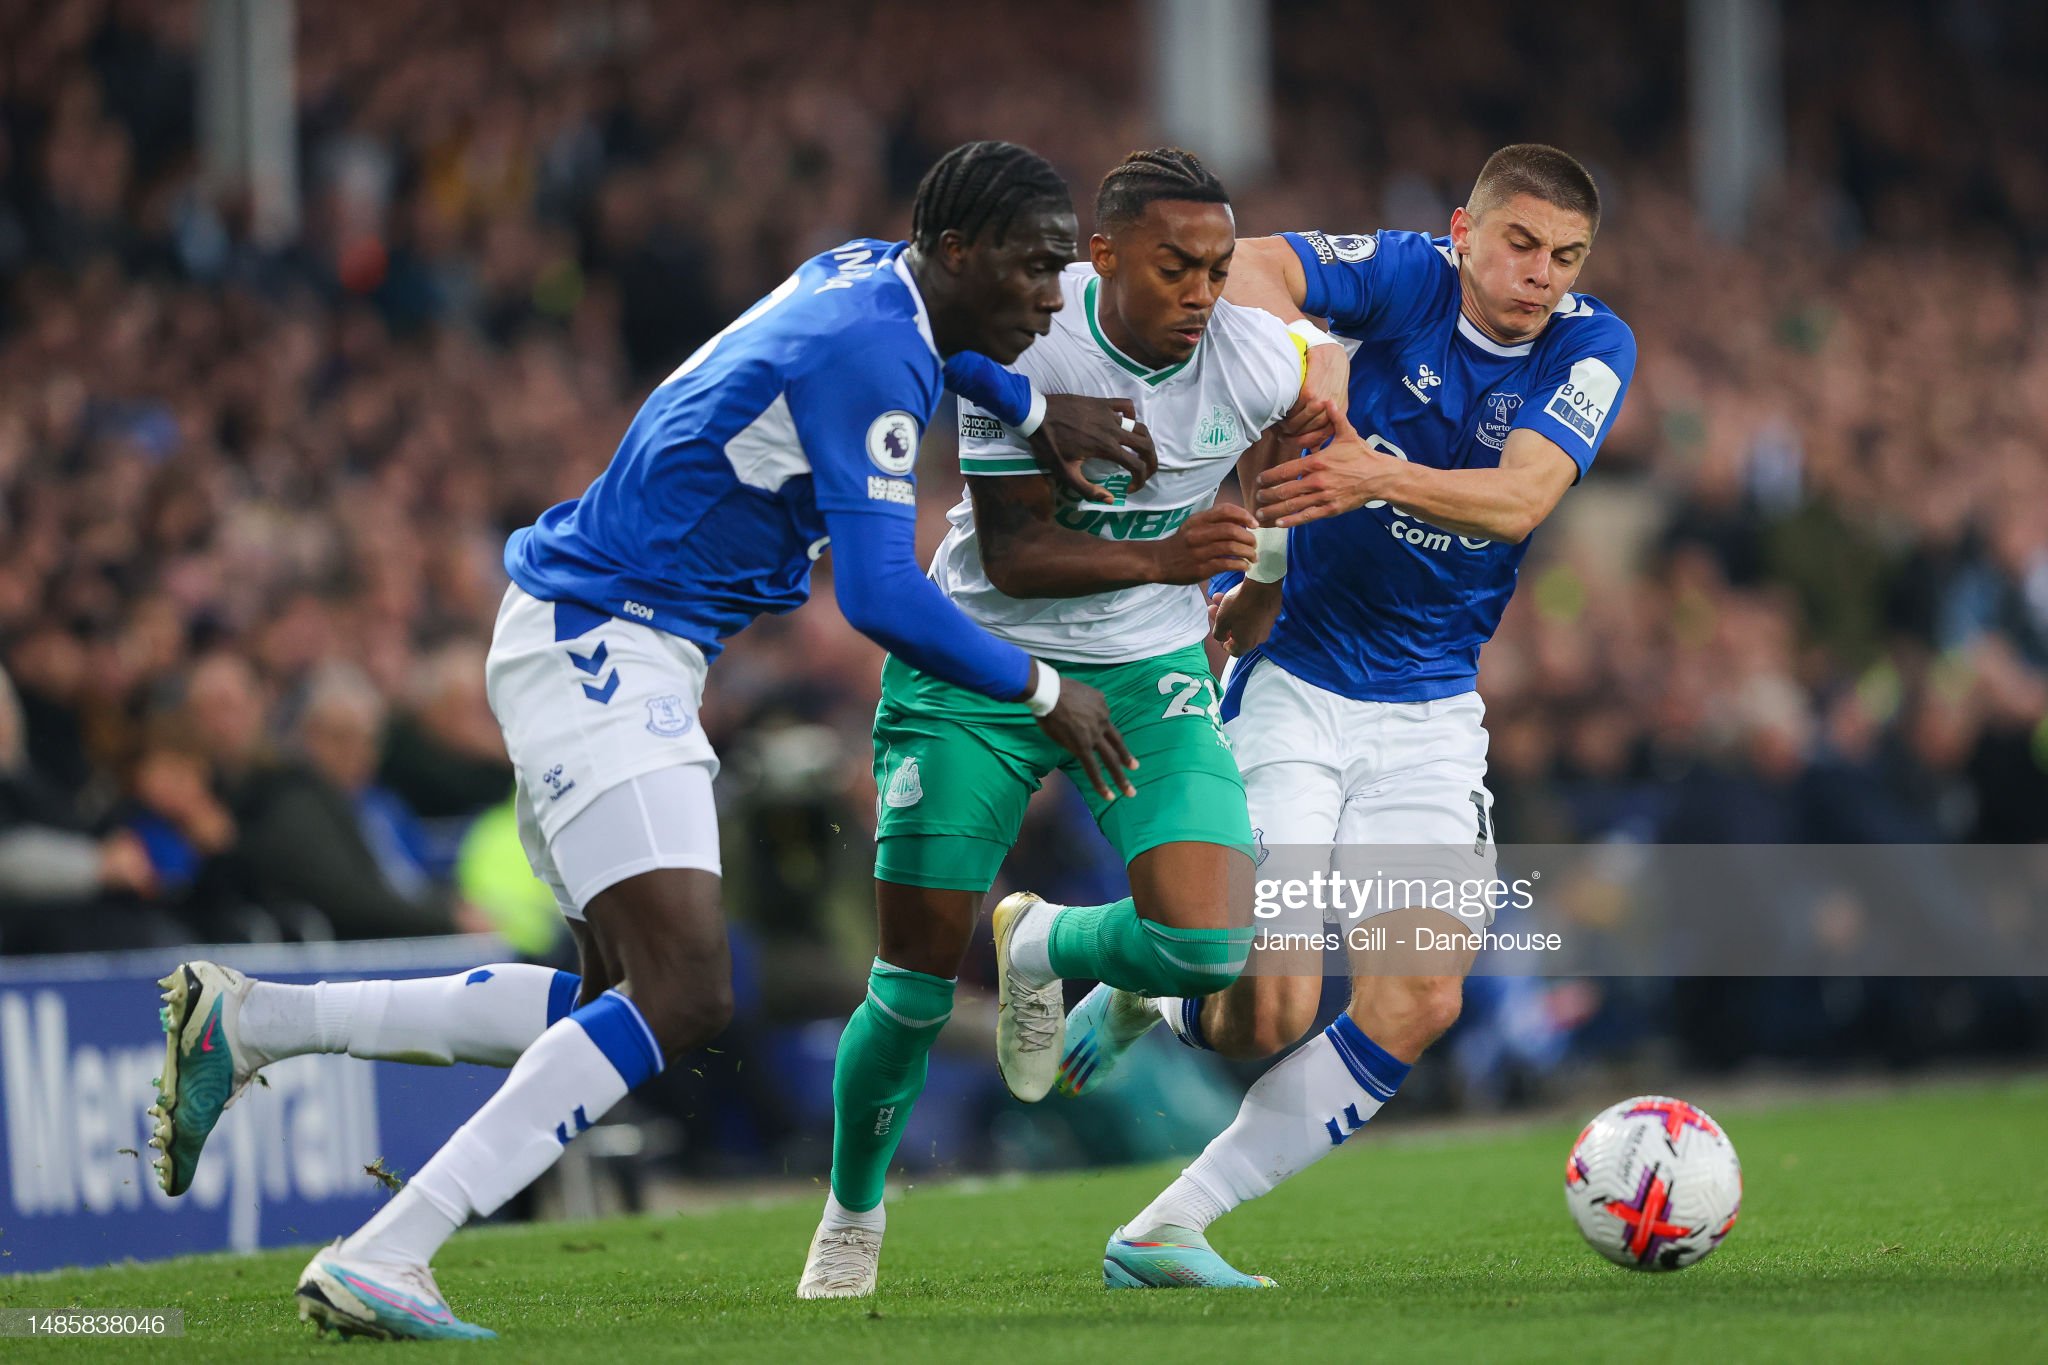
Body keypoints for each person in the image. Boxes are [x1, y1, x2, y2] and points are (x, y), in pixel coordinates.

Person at [144, 140, 1150, 1341]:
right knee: (683, 990)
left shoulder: (872, 278)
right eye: (1034, 268)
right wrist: (1042, 690)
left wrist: (1028, 407)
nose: (1050, 297)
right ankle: (385, 1252)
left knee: (611, 1002)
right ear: (957, 249)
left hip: (598, 628)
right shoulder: (871, 353)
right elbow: (880, 594)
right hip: (606, 641)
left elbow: (945, 345)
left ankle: (255, 1024)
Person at [1062, 144, 1638, 1289]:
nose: (1539, 275)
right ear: (1463, 232)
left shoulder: (1590, 345)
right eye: (1519, 244)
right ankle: (1107, 960)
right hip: (1296, 680)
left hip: (1429, 710)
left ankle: (1167, 1226)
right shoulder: (1403, 277)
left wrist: (1373, 474)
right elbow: (1252, 264)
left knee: (1418, 1000)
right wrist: (1308, 344)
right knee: (1264, 1010)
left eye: (1565, 257)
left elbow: (1521, 497)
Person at [796, 148, 1323, 1298]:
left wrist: (1267, 577)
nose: (1201, 292)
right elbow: (1015, 555)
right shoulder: (1029, 334)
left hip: (1145, 673)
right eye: (1174, 267)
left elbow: (1299, 434)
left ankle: (1042, 942)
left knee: (1207, 947)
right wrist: (1171, 558)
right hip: (979, 669)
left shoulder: (1250, 353)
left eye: (1217, 269)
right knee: (910, 987)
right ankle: (851, 1212)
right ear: (1102, 256)